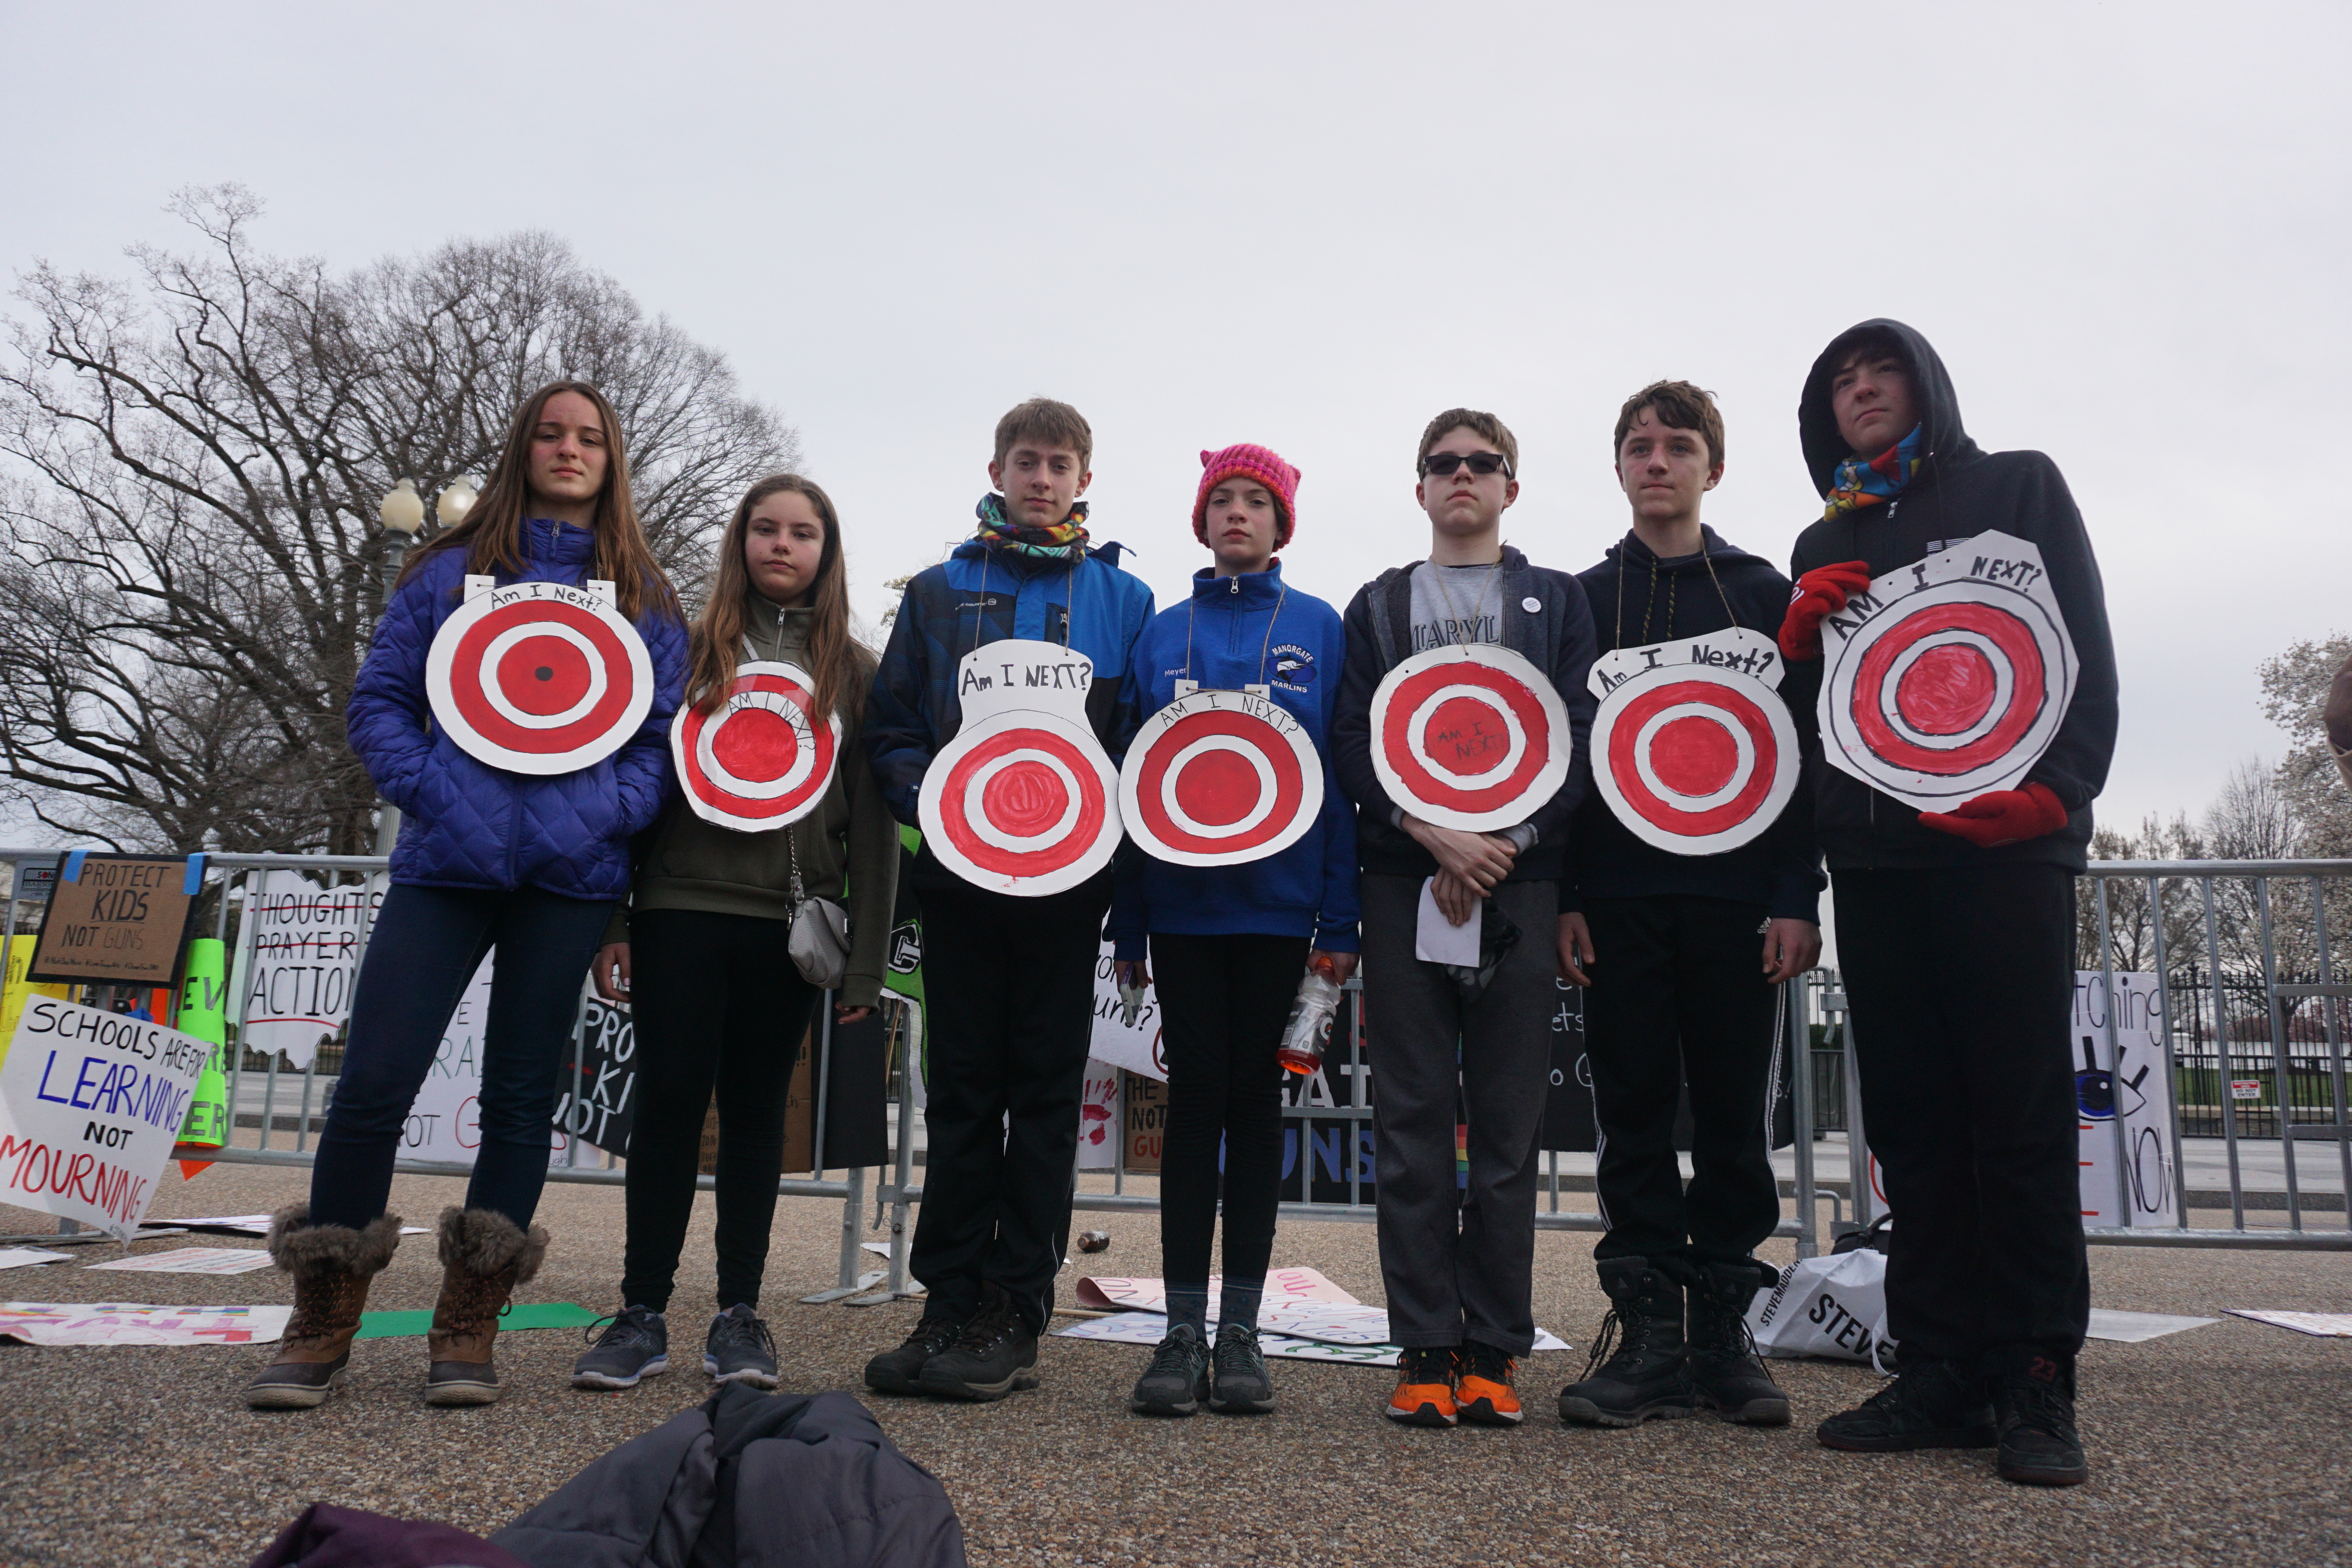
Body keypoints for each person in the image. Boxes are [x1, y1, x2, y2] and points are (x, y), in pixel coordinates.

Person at [247, 381, 688, 1410]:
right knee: (374, 1083)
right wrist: (438, 792)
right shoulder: (447, 575)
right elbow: (382, 706)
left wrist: (603, 813)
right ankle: (322, 1319)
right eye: (550, 433)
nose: (569, 450)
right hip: (445, 866)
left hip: (571, 878)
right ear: (522, 449)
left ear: (613, 459)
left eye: (589, 438)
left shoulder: (644, 599)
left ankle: (468, 1323)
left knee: (521, 1096)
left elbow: (665, 742)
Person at [1779, 319, 2117, 1487]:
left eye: (1879, 371)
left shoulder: (2015, 485)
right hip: (1879, 866)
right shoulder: (1827, 533)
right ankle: (1936, 1364)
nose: (1858, 390)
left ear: (1925, 383)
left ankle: (2031, 1376)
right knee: (1915, 1130)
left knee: (2015, 1120)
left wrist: (2060, 792)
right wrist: (1799, 643)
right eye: (1837, 381)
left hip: (2005, 854)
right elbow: (1812, 718)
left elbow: (2080, 638)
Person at [570, 475, 896, 1394]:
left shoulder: (854, 671)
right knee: (669, 1104)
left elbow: (873, 822)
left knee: (757, 1117)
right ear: (739, 540)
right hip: (676, 909)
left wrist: (865, 960)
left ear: (827, 552)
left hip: (787, 927)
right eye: (765, 528)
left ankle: (739, 1315)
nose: (781, 545)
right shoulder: (682, 651)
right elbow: (630, 787)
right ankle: (640, 1313)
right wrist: (613, 919)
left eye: (802, 532)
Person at [860, 398, 1155, 1401]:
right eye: (1026, 461)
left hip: (1070, 887)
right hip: (957, 878)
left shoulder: (1127, 596)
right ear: (996, 467)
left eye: (1060, 463)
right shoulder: (940, 590)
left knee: (1042, 1097)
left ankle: (1015, 1307)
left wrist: (1104, 836)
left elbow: (1143, 747)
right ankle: (947, 1298)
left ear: (1084, 479)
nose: (1042, 477)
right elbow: (890, 725)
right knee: (961, 1091)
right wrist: (935, 802)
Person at [1553, 381, 1823, 1430]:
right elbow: (1560, 758)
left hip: (1738, 902)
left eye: (1678, 446)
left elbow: (1805, 755)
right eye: (1638, 446)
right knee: (1629, 1116)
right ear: (1619, 467)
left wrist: (1799, 891)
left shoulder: (1767, 592)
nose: (1657, 461)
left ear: (1714, 465)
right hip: (1616, 901)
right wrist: (1569, 892)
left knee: (1730, 1118)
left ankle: (1724, 1332)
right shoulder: (1582, 599)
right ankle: (1649, 1334)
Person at [1331, 408, 1597, 1428]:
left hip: (1521, 886)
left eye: (1483, 464)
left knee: (1505, 1131)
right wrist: (1432, 835)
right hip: (1405, 878)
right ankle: (1424, 1346)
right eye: (1443, 464)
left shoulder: (1556, 600)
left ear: (1510, 489)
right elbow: (1354, 736)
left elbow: (1579, 732)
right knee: (1408, 1125)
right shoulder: (1381, 603)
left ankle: (1494, 1348)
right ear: (1420, 488)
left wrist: (1508, 847)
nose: (1463, 477)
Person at [1105, 445, 1360, 1417]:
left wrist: (1340, 919)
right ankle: (1179, 1331)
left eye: (1257, 500)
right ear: (1201, 518)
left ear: (1283, 521)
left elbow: (1336, 785)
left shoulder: (1319, 627)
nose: (1238, 514)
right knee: (1192, 1104)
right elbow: (1134, 780)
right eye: (1223, 500)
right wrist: (1128, 920)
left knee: (1255, 1106)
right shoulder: (1162, 632)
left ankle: (1243, 1329)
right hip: (1181, 909)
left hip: (1280, 907)